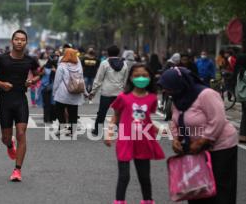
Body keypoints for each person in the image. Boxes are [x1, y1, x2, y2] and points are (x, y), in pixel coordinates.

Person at [158, 67, 238, 204]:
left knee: (220, 190)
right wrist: (176, 138)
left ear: (180, 83)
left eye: (168, 87)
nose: (165, 91)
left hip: (220, 147)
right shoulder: (178, 98)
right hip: (195, 148)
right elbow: (175, 120)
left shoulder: (206, 94)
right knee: (197, 188)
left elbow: (217, 120)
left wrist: (203, 141)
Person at [0, 30, 41, 182]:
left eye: (22, 39)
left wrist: (32, 81)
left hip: (21, 100)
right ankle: (9, 145)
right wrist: (1, 84)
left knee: (21, 133)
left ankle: (17, 170)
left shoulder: (30, 60)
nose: (19, 42)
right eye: (17, 39)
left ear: (26, 42)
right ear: (12, 41)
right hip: (4, 101)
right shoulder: (1, 59)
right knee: (5, 137)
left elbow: (38, 73)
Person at [105, 63, 165, 204]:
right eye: (137, 75)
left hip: (144, 141)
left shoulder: (152, 98)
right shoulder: (123, 97)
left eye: (144, 75)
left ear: (150, 77)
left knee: (144, 176)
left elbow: (146, 118)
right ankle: (119, 201)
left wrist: (158, 129)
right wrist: (109, 133)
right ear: (131, 78)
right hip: (126, 140)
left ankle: (148, 200)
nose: (141, 78)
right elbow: (116, 116)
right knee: (124, 176)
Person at [90, 45, 129, 136]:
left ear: (108, 53)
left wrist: (93, 92)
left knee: (102, 112)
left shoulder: (105, 63)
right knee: (120, 112)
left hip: (106, 92)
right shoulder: (124, 64)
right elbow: (125, 80)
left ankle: (97, 130)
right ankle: (121, 130)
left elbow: (98, 79)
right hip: (119, 92)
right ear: (118, 53)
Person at [53, 48, 86, 137]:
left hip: (62, 93)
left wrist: (54, 91)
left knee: (59, 111)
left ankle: (62, 128)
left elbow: (57, 80)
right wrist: (85, 92)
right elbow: (81, 79)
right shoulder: (79, 65)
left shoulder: (62, 66)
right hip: (75, 93)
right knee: (73, 113)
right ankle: (72, 131)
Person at [234, 54, 246, 144]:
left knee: (244, 115)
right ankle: (243, 135)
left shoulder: (239, 72)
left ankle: (242, 135)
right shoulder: (244, 73)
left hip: (243, 97)